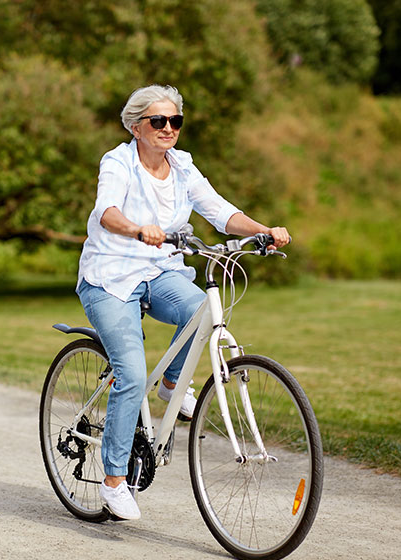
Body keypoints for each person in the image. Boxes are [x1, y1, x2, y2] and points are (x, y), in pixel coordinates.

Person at [76, 84, 290, 521]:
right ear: (137, 127)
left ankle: (173, 385)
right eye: (159, 121)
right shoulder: (118, 162)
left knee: (203, 312)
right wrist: (138, 229)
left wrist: (262, 229)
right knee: (132, 375)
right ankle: (114, 481)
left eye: (175, 121)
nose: (168, 128)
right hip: (110, 278)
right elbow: (106, 212)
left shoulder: (183, 166)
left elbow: (219, 211)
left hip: (161, 271)